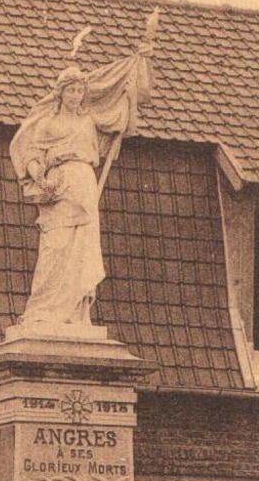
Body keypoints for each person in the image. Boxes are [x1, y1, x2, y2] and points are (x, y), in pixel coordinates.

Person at [9, 22, 156, 329]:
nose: (76, 95)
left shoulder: (88, 122)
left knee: (81, 252)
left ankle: (76, 313)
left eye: (79, 90)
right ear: (60, 93)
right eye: (71, 90)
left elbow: (120, 115)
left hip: (84, 186)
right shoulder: (48, 125)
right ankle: (43, 312)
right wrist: (41, 179)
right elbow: (32, 156)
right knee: (55, 249)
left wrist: (138, 66)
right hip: (59, 189)